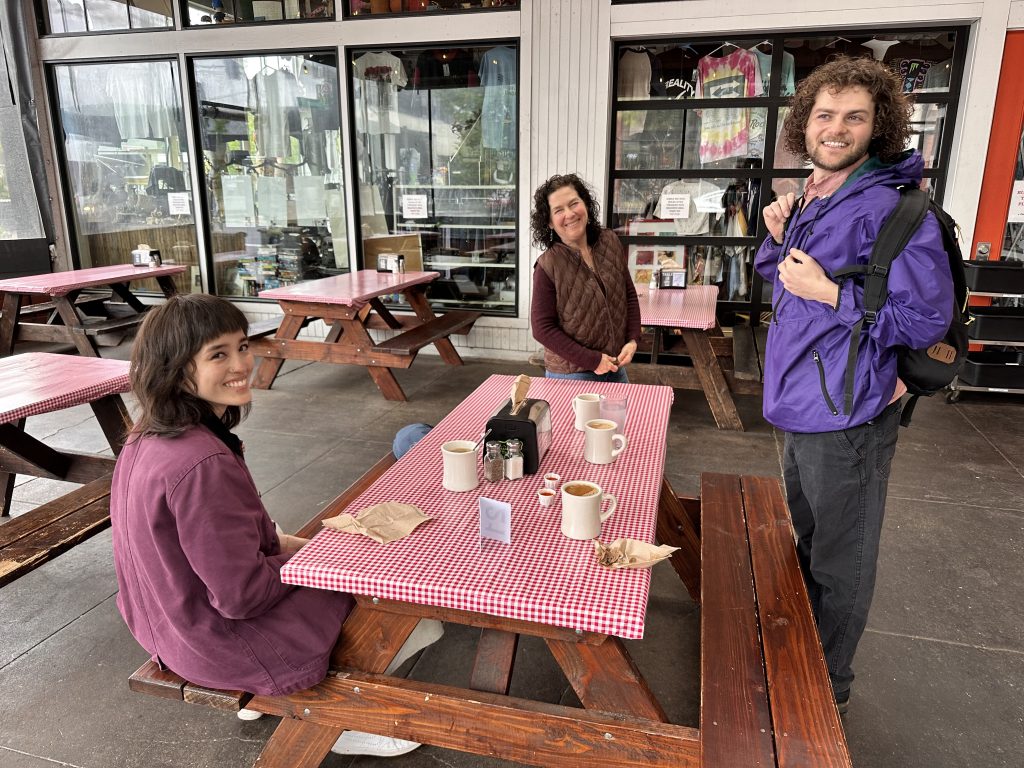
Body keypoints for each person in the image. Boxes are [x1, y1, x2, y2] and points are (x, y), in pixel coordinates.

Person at [110, 293, 438, 758]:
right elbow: (242, 595)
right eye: (218, 355)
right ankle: (334, 718)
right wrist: (317, 561)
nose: (241, 364)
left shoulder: (146, 437)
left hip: (167, 629)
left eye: (242, 346)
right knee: (407, 607)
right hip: (219, 644)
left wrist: (301, 549)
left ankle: (279, 693)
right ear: (176, 369)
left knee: (348, 562)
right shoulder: (201, 462)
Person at [754, 56, 952, 715]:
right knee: (811, 544)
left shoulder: (892, 208)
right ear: (804, 122)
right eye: (825, 114)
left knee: (841, 561)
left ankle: (827, 690)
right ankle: (803, 661)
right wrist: (776, 235)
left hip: (847, 415)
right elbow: (783, 278)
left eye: (854, 117)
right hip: (800, 404)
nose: (836, 128)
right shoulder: (819, 194)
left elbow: (924, 320)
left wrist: (831, 294)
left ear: (879, 126)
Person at [530, 173, 642, 382]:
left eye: (574, 204)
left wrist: (632, 339)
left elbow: (628, 295)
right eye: (558, 210)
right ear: (550, 222)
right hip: (573, 375)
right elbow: (542, 329)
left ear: (586, 205)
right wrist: (592, 360)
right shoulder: (547, 266)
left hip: (615, 366)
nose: (570, 214)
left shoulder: (609, 241)